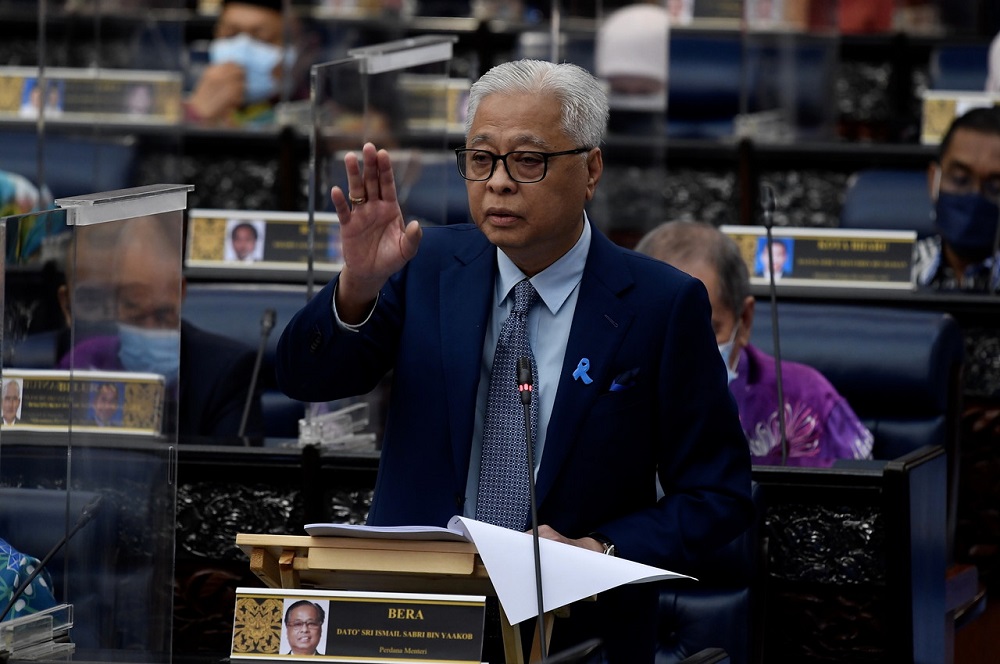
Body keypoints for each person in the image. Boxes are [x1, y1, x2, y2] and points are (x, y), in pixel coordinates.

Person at [276, 59, 753, 662]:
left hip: (576, 634)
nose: (498, 182)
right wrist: (358, 286)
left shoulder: (662, 305)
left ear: (591, 169)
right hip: (412, 620)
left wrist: (599, 549)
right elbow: (304, 376)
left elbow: (719, 495)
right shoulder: (423, 266)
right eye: (481, 159)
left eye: (528, 160)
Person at [636, 221, 875, 467]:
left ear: (744, 320)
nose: (681, 353)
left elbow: (858, 500)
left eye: (706, 331)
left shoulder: (806, 398)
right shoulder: (607, 390)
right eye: (663, 331)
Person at [57, 216, 264, 441]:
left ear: (179, 292)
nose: (149, 328)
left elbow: (231, 470)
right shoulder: (82, 363)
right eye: (133, 311)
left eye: (161, 314)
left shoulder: (227, 373)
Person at [912, 106, 1000, 292]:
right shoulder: (900, 269)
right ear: (933, 180)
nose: (975, 194)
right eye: (960, 179)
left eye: (995, 187)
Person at [184, 0, 299, 126]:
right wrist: (195, 116)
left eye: (262, 37)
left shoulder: (310, 109)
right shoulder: (184, 103)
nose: (243, 47)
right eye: (230, 34)